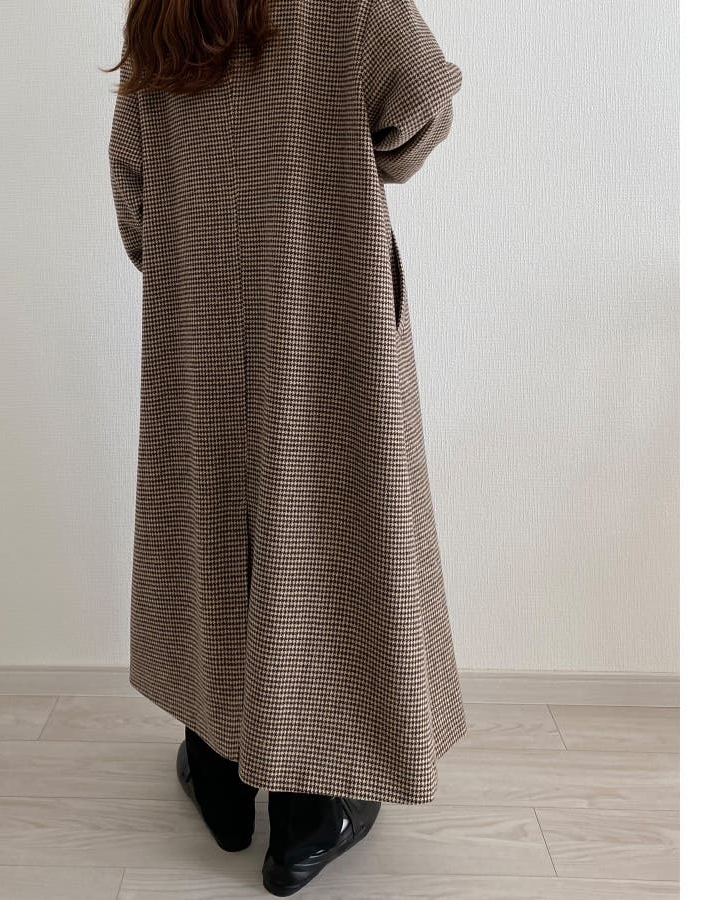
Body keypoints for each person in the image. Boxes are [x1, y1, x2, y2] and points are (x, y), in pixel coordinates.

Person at [107, 0, 467, 894]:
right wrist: (345, 161)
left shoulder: (162, 12)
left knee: (206, 518)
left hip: (201, 314)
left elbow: (134, 190)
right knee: (331, 524)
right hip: (325, 298)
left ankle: (219, 770)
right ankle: (311, 806)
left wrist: (199, 259)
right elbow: (422, 103)